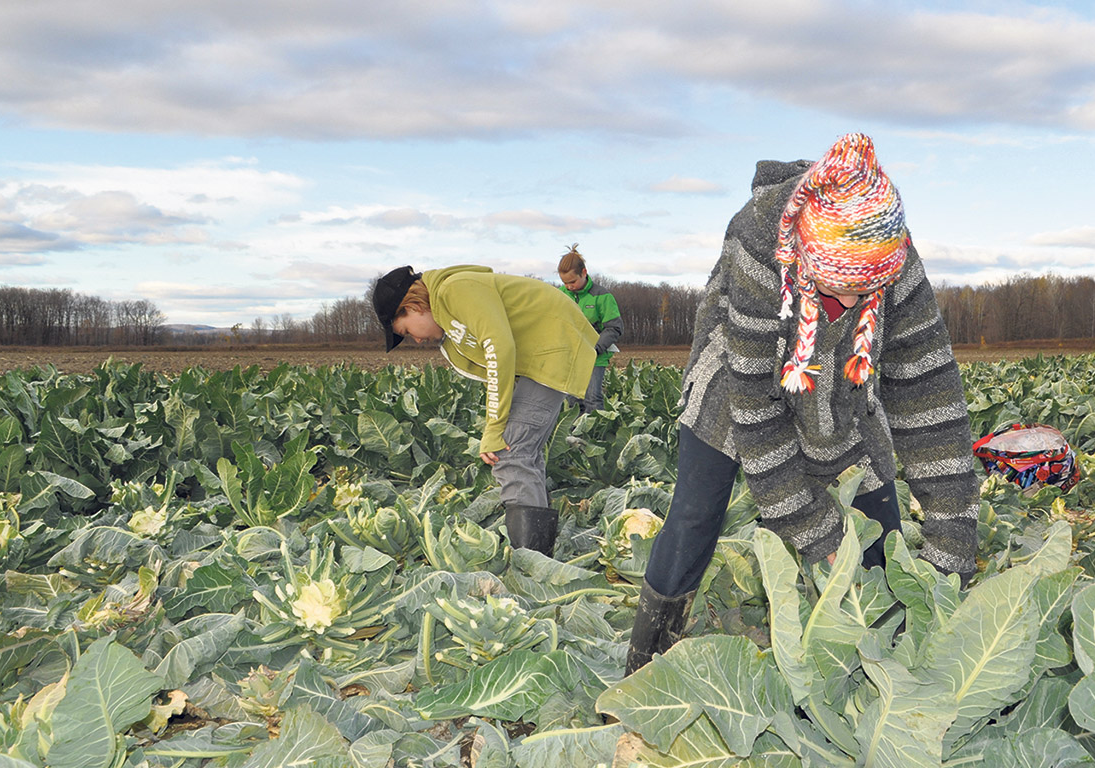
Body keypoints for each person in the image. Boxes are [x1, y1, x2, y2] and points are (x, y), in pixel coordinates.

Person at [626, 133, 980, 675]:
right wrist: (815, 530)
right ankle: (644, 666)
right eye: (835, 288)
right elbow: (755, 408)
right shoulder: (759, 241)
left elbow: (929, 397)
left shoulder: (895, 262)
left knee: (878, 529)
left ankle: (883, 673)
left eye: (865, 293)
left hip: (841, 384)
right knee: (695, 514)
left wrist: (953, 535)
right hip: (737, 383)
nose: (849, 304)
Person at [371, 265, 599, 557]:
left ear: (413, 306)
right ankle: (539, 556)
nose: (415, 340)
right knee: (521, 451)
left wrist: (494, 428)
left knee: (511, 451)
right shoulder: (449, 314)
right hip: (543, 353)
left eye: (405, 331)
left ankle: (530, 561)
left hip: (552, 346)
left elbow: (499, 347)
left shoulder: (454, 290)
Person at [557, 244, 623, 412]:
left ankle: (592, 436)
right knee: (571, 399)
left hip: (595, 356)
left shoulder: (602, 296)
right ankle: (573, 435)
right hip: (570, 355)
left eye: (572, 281)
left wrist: (596, 348)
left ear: (584, 273)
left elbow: (614, 327)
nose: (569, 286)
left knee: (592, 397)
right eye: (565, 283)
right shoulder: (561, 295)